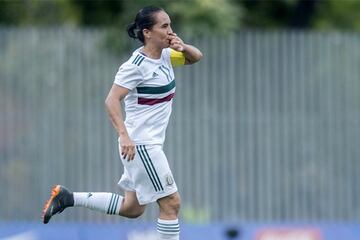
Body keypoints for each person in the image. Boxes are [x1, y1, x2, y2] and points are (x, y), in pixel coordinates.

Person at [41, 6, 202, 240]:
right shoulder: (136, 65)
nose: (170, 31)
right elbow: (111, 100)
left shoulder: (167, 55)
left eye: (170, 25)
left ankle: (67, 198)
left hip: (143, 145)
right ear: (147, 32)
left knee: (132, 208)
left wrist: (182, 46)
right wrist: (124, 135)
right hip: (140, 145)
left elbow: (196, 57)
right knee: (171, 203)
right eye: (164, 26)